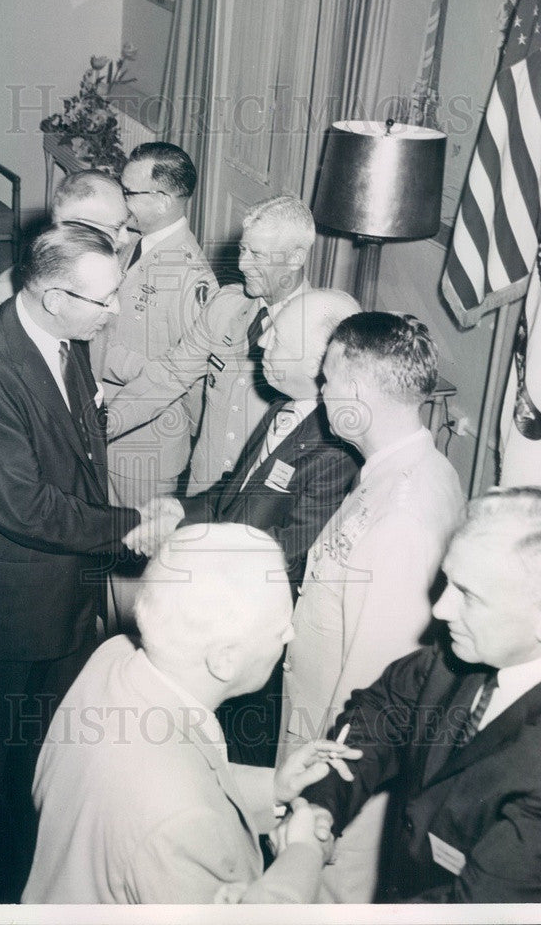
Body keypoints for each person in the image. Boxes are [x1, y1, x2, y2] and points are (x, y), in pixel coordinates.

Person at [0, 224, 143, 903]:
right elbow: (23, 508)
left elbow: (80, 451)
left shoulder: (65, 336)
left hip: (60, 593)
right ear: (53, 296)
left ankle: (25, 881)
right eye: (103, 301)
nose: (116, 312)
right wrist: (131, 528)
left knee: (41, 757)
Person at [22, 523, 362, 905]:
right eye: (281, 627)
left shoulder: (115, 658)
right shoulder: (180, 823)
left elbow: (183, 772)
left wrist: (275, 789)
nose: (289, 636)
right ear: (224, 661)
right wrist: (304, 853)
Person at [301, 487, 541, 904]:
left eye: (468, 595)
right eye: (449, 581)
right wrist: (321, 809)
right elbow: (382, 711)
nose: (441, 609)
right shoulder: (480, 643)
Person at [125, 289, 363, 765]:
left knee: (238, 762)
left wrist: (188, 549)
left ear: (323, 360)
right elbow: (233, 491)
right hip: (222, 611)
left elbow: (286, 551)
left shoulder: (336, 448)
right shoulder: (287, 407)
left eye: (278, 335)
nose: (261, 341)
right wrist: (179, 513)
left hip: (255, 639)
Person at [278, 311, 465, 902]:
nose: (322, 392)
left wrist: (323, 799)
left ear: (357, 390)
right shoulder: (395, 472)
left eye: (328, 379)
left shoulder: (404, 511)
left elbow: (376, 680)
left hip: (342, 776)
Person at [107, 194, 314, 496]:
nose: (243, 264)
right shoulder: (226, 306)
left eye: (257, 255)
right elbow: (170, 375)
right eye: (243, 250)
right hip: (202, 489)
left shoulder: (320, 329)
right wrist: (105, 424)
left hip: (261, 501)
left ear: (295, 258)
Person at [103, 142, 217, 509]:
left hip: (144, 451)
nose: (120, 202)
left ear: (164, 200)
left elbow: (189, 379)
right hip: (109, 427)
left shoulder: (191, 277)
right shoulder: (131, 242)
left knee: (133, 556)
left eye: (128, 193)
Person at [0, 169, 131, 327]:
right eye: (117, 228)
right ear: (79, 229)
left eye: (126, 224)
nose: (126, 238)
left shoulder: (121, 266)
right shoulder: (6, 298)